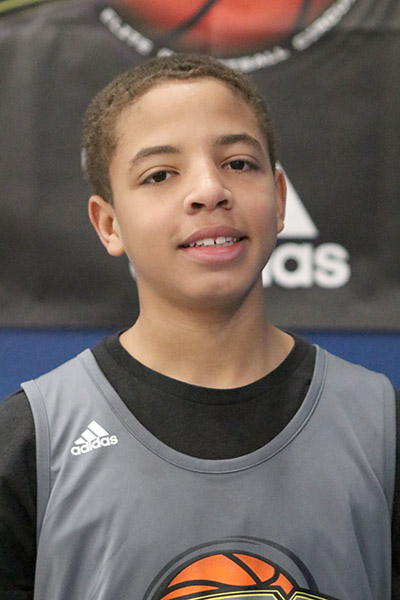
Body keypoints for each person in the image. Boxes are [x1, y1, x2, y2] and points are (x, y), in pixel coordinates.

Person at [0, 53, 399, 600]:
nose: (210, 190)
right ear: (109, 224)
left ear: (279, 200)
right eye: (160, 174)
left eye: (238, 163)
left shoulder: (383, 429)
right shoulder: (28, 445)